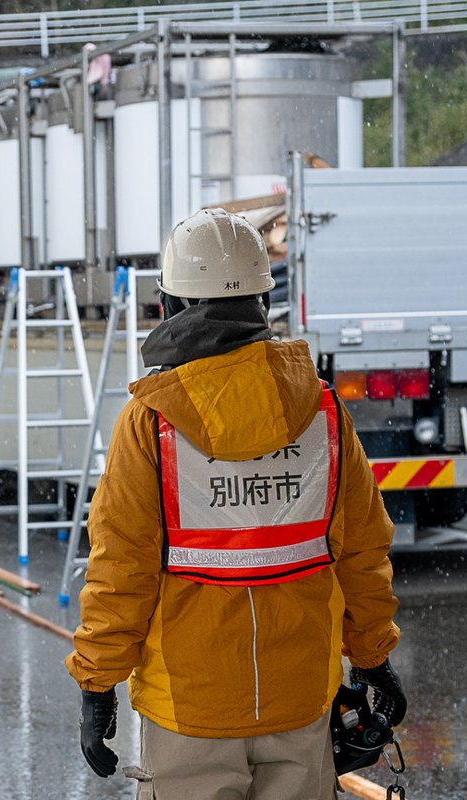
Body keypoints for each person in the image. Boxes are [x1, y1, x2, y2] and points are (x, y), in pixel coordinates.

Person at [65, 208, 406, 798]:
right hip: (301, 700)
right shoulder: (323, 414)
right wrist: (372, 658)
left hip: (189, 708)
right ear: (261, 306)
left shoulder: (152, 423)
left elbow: (121, 568)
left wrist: (98, 684)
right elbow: (362, 552)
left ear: (171, 306)